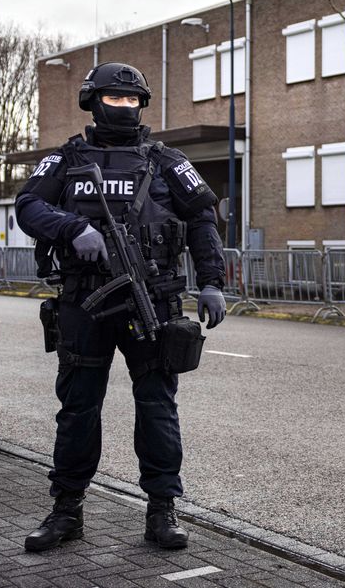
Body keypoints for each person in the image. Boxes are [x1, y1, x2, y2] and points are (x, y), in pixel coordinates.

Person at [16, 62, 227, 552]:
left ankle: (162, 510)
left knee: (157, 408)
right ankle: (66, 510)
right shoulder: (66, 160)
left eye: (133, 101)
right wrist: (73, 229)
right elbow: (28, 205)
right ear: (93, 101)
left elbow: (202, 218)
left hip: (152, 300)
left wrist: (213, 282)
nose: (126, 108)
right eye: (116, 99)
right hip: (83, 303)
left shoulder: (166, 160)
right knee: (77, 408)